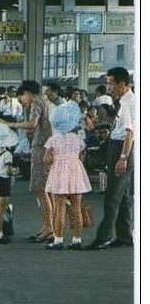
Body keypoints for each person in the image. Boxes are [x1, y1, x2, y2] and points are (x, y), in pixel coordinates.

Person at [0, 80, 53, 242]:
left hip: (42, 148)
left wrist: (9, 124)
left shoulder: (37, 103)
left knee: (40, 189)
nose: (21, 100)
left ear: (28, 93)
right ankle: (47, 226)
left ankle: (49, 227)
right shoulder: (46, 102)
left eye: (21, 96)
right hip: (45, 147)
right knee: (43, 190)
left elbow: (32, 124)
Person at [90, 67, 136, 250]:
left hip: (122, 148)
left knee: (112, 196)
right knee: (122, 196)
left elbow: (129, 133)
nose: (108, 87)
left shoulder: (127, 103)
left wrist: (123, 157)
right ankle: (124, 236)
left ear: (122, 83)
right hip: (120, 147)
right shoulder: (125, 101)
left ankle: (103, 237)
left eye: (111, 83)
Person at [44, 102, 92, 250]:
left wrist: (52, 160)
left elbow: (47, 159)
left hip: (59, 171)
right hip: (75, 170)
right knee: (76, 207)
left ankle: (58, 240)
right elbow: (82, 156)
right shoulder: (77, 139)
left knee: (59, 208)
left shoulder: (53, 140)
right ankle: (77, 239)